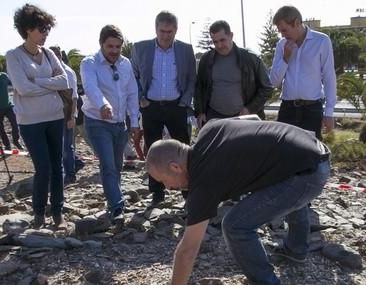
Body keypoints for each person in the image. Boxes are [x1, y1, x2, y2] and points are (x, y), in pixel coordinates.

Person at [145, 119, 331, 285]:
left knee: (235, 226)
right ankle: (296, 249)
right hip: (311, 149)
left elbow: (187, 251)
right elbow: (252, 119)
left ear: (175, 167)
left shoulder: (203, 182)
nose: (167, 188)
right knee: (281, 176)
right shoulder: (209, 130)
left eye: (163, 181)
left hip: (308, 174)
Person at [6, 4, 68, 229]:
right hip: (31, 122)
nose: (45, 33)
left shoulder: (49, 53)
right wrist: (49, 85)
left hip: (55, 117)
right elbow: (23, 89)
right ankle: (39, 212)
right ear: (28, 29)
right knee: (44, 167)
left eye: (47, 29)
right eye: (42, 29)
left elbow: (65, 81)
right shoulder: (13, 56)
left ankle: (58, 212)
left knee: (57, 166)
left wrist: (38, 82)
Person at [131, 10, 196, 206]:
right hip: (151, 106)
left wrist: (185, 100)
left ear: (176, 30)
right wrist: (141, 97)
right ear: (156, 29)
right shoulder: (140, 48)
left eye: (170, 31)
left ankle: (187, 191)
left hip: (177, 105)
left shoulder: (185, 49)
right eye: (162, 31)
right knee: (152, 149)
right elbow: (132, 75)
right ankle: (157, 192)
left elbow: (192, 77)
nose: (166, 35)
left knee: (183, 149)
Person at [80, 25, 140, 219]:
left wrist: (134, 121)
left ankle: (115, 198)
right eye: (110, 46)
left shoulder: (126, 64)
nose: (114, 51)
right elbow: (91, 88)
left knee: (117, 164)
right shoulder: (89, 63)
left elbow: (132, 92)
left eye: (117, 47)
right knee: (107, 164)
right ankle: (117, 206)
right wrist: (103, 105)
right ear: (101, 45)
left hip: (120, 123)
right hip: (98, 121)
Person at [270, 5, 337, 140]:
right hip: (287, 109)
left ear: (296, 23)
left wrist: (329, 113)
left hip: (312, 110)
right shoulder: (281, 45)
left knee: (310, 156)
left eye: (284, 30)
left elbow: (329, 77)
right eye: (280, 31)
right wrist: (285, 58)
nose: (282, 35)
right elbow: (273, 81)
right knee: (284, 156)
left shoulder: (321, 41)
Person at [194, 20, 273, 127]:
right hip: (214, 117)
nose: (219, 45)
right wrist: (200, 112)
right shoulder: (206, 59)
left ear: (231, 35)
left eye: (222, 40)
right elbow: (199, 88)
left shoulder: (251, 59)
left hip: (244, 117)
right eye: (215, 42)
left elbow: (266, 88)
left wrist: (249, 109)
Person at [49, 45, 83, 184]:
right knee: (59, 144)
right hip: (54, 113)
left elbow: (73, 96)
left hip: (67, 112)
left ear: (58, 56)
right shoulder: (50, 70)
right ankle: (76, 163)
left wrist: (71, 117)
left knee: (67, 145)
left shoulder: (67, 72)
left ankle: (70, 173)